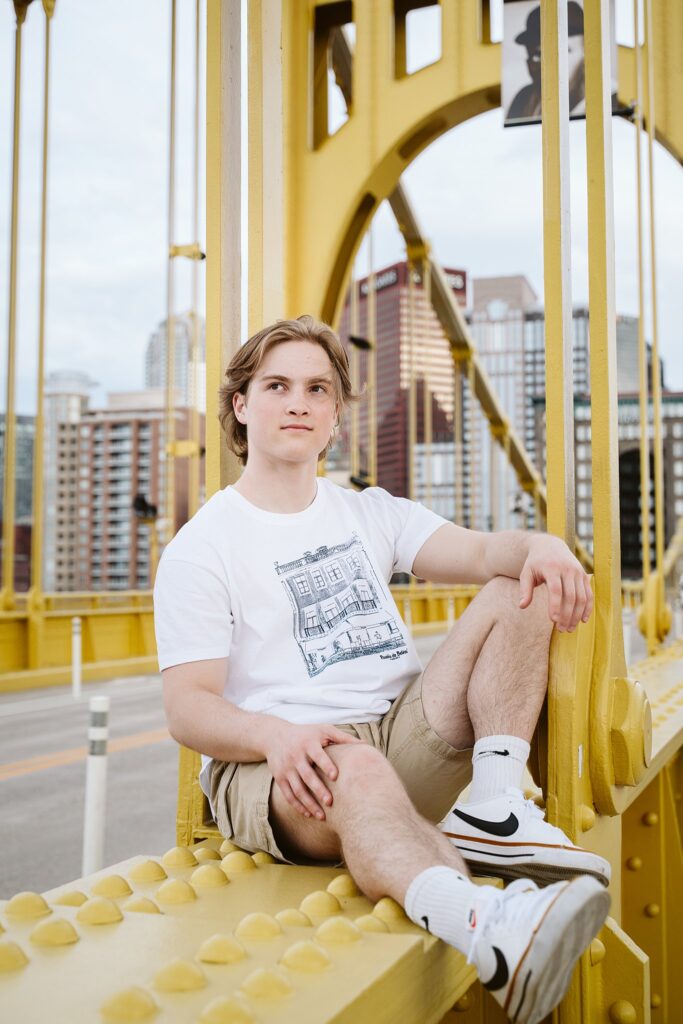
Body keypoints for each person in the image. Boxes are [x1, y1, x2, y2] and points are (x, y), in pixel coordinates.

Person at [154, 316, 610, 1024]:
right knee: (354, 768)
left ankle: (494, 805)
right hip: (277, 763)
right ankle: (485, 929)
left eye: (317, 389)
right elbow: (187, 707)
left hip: (399, 733)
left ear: (335, 416)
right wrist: (275, 736)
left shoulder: (369, 512)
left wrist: (544, 543)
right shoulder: (202, 547)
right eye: (276, 386)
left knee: (523, 583)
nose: (297, 403)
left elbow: (490, 549)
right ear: (241, 406)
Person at [506, 2, 586, 123]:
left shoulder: (609, 100)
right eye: (536, 55)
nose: (546, 65)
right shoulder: (524, 99)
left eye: (562, 52)